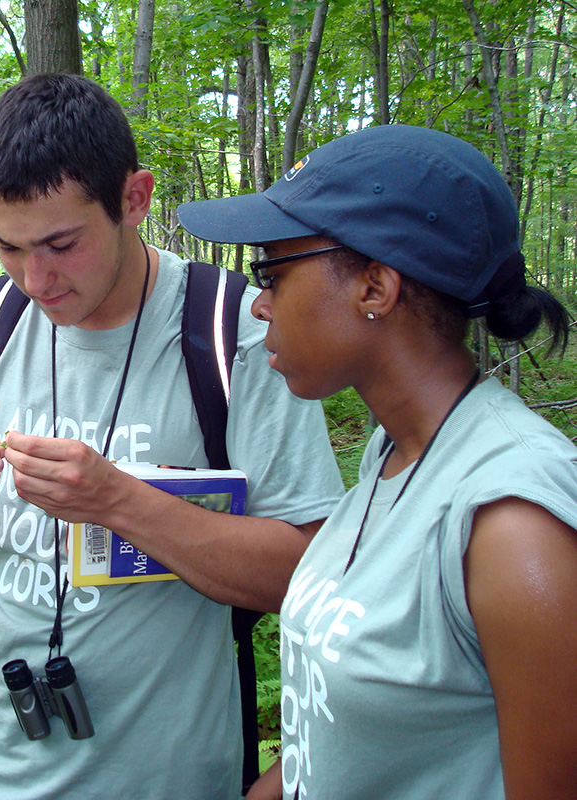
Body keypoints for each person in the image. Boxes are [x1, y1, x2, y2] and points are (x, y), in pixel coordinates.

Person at [0, 73, 344, 800]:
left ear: (134, 199)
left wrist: (117, 501)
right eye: (6, 247)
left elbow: (309, 574)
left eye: (61, 244)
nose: (34, 279)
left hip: (158, 775)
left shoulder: (237, 333)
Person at [177, 123, 577, 800]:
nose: (258, 301)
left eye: (272, 269)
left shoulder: (511, 523)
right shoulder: (391, 456)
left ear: (376, 287)